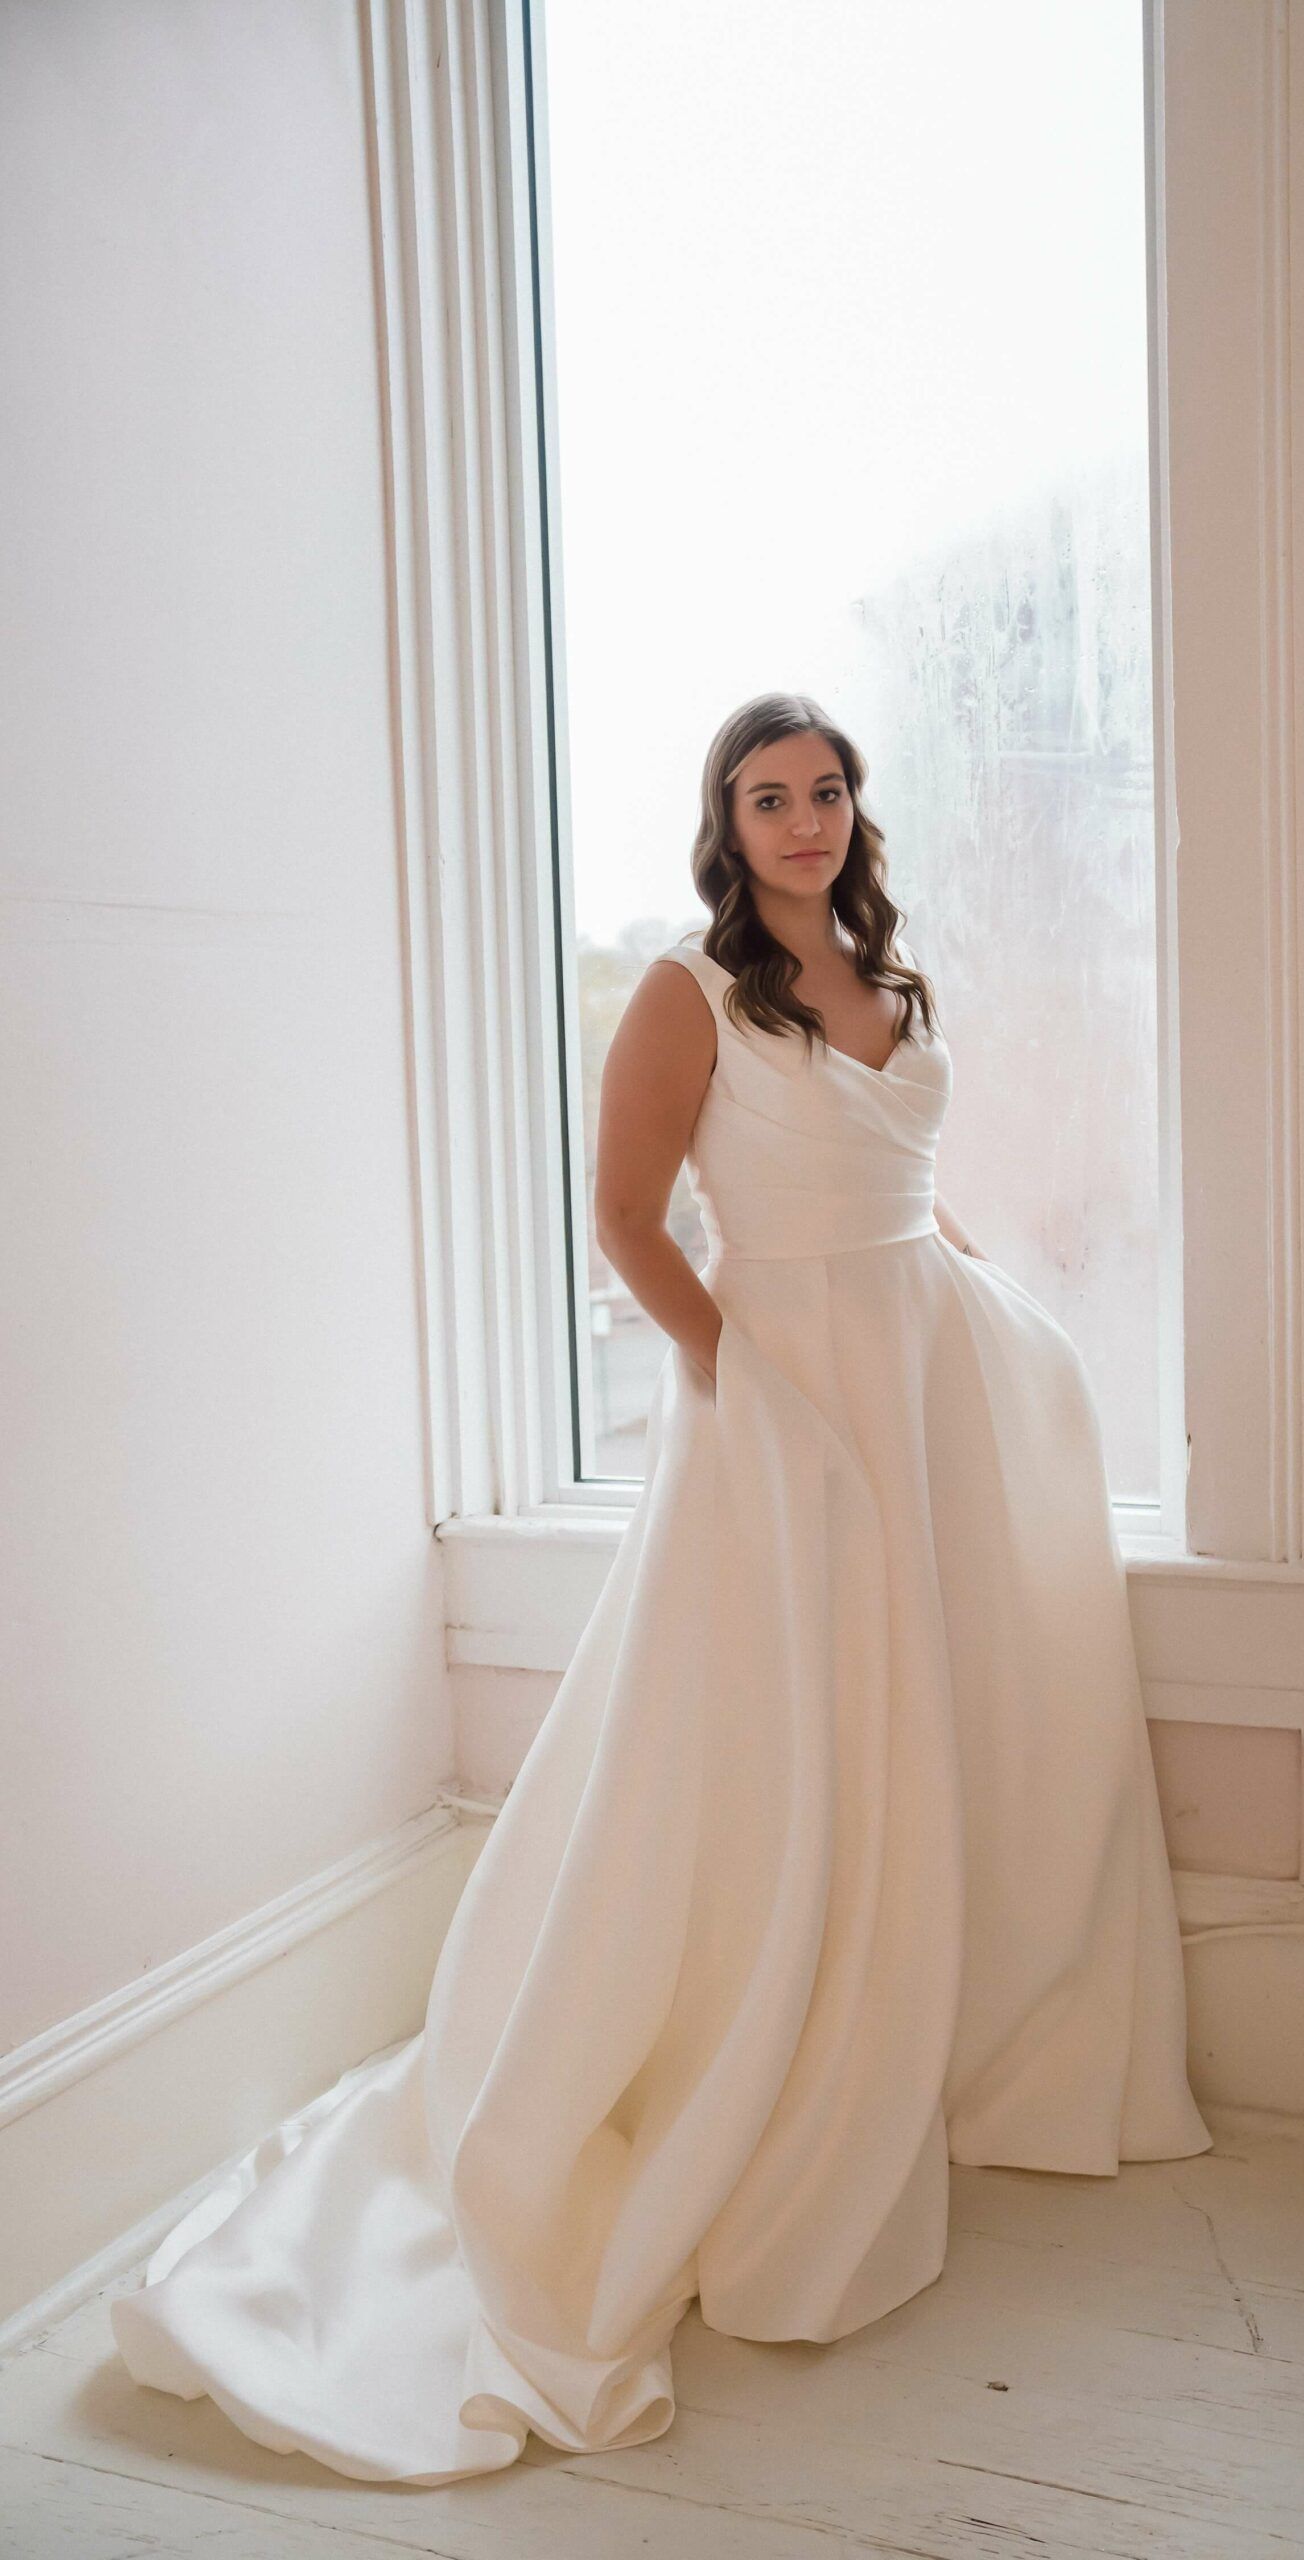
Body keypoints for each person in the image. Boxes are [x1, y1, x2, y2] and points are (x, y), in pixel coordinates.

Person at [111, 690, 1212, 2486]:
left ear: (858, 810)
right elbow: (630, 1223)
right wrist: (750, 1395)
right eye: (769, 797)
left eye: (829, 791)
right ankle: (730, 2069)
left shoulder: (899, 985)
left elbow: (900, 1190)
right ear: (725, 822)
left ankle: (919, 2026)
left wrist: (985, 1310)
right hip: (774, 1405)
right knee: (766, 1741)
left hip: (914, 1391)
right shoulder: (686, 997)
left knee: (920, 1711)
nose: (804, 820)